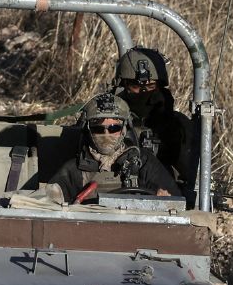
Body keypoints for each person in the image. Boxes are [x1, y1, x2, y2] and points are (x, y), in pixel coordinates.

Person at [30, 92, 180, 203]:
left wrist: (165, 200)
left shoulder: (144, 163)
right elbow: (43, 202)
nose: (106, 133)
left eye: (113, 128)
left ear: (124, 129)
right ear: (88, 130)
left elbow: (177, 204)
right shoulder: (76, 169)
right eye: (98, 129)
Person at [112, 46, 195, 195]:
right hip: (112, 191)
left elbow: (193, 174)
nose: (144, 93)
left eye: (150, 86)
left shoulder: (177, 126)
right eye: (136, 87)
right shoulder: (106, 120)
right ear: (123, 85)